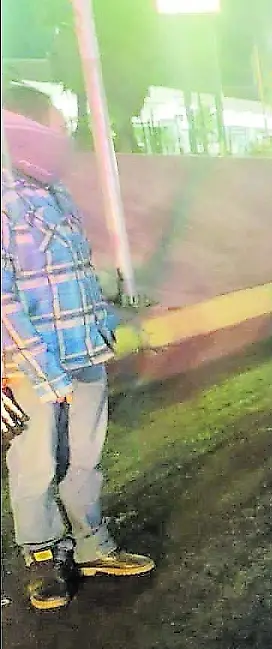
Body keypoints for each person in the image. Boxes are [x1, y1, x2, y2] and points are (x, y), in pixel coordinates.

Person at [2, 85, 155, 611]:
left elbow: (72, 276)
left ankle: (92, 545)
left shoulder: (56, 193)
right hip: (31, 365)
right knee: (35, 464)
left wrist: (113, 309)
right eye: (57, 126)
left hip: (84, 352)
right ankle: (44, 557)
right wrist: (45, 375)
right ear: (25, 130)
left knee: (84, 460)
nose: (66, 136)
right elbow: (4, 300)